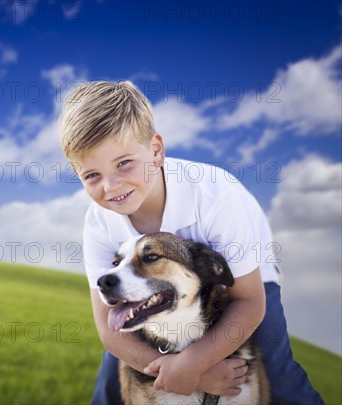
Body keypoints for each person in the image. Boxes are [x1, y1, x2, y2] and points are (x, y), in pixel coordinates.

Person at [59, 80, 324, 405]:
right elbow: (109, 329)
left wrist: (194, 362)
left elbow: (249, 302)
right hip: (144, 290)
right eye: (92, 175)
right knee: (110, 384)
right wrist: (190, 374)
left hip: (246, 278)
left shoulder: (217, 198)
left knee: (278, 373)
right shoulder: (99, 222)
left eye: (124, 163)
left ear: (156, 151)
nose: (111, 186)